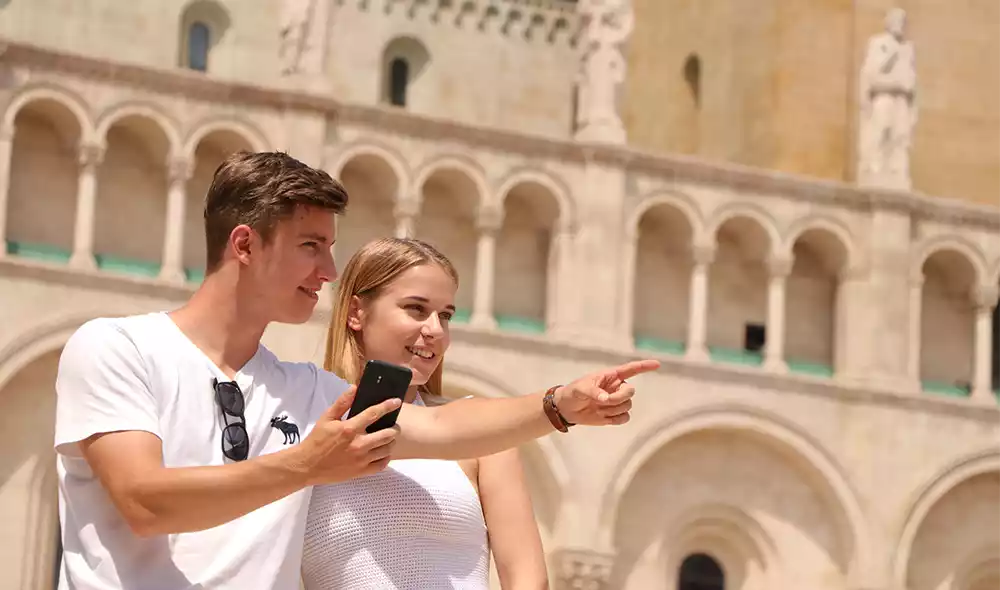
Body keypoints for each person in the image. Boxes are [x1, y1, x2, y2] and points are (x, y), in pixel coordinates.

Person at [52, 151, 659, 590]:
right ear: (245, 245)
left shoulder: (307, 390)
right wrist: (305, 464)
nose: (328, 270)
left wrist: (560, 404)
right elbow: (144, 503)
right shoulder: (117, 347)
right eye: (311, 245)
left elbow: (443, 429)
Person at [301, 237, 549, 589]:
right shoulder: (303, 418)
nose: (435, 330)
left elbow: (528, 578)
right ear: (356, 312)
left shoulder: (481, 437)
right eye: (416, 309)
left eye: (445, 315)